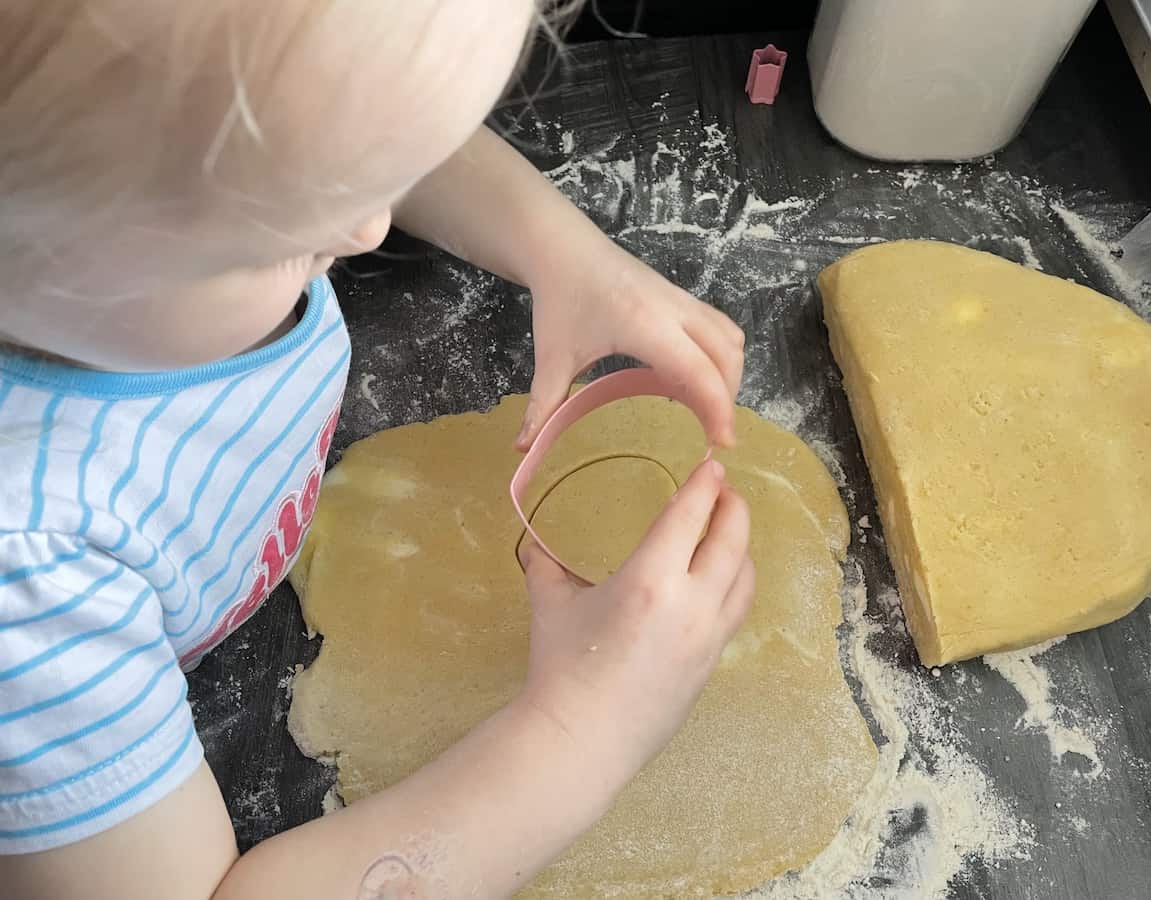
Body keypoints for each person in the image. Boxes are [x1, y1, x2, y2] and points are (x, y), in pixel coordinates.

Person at [0, 2, 755, 897]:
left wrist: (563, 254)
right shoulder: (30, 587)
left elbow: (349, 129)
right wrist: (587, 725)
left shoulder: (126, 228)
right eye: (289, 236)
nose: (367, 228)